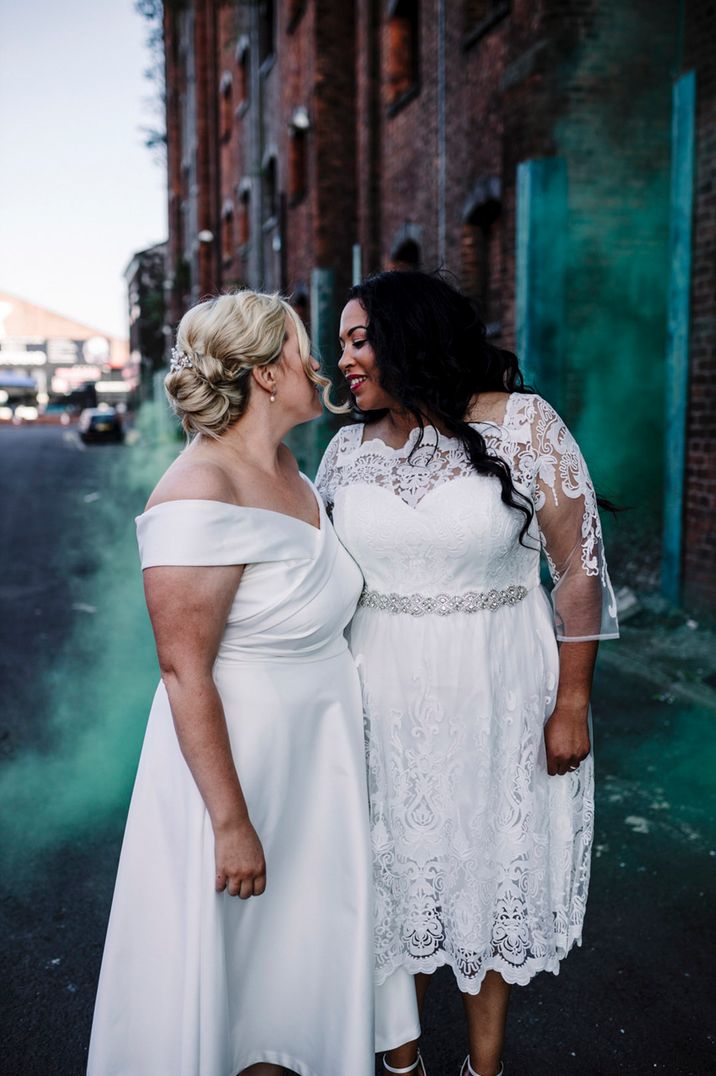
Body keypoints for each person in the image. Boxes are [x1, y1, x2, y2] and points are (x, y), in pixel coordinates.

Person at [315, 270, 619, 1076]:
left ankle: (485, 1069)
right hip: (374, 694)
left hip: (498, 691)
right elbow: (312, 577)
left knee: (485, 871)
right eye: (340, 342)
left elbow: (579, 568)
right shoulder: (345, 452)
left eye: (359, 339)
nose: (343, 358)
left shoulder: (523, 424)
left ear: (412, 335)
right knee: (392, 883)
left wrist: (573, 702)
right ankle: (401, 1063)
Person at [87, 290, 374, 1076]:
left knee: (288, 980)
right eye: (301, 347)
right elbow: (183, 670)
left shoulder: (294, 472)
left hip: (315, 764)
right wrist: (231, 822)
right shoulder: (198, 488)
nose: (319, 362)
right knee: (231, 982)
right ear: (262, 373)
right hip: (234, 774)